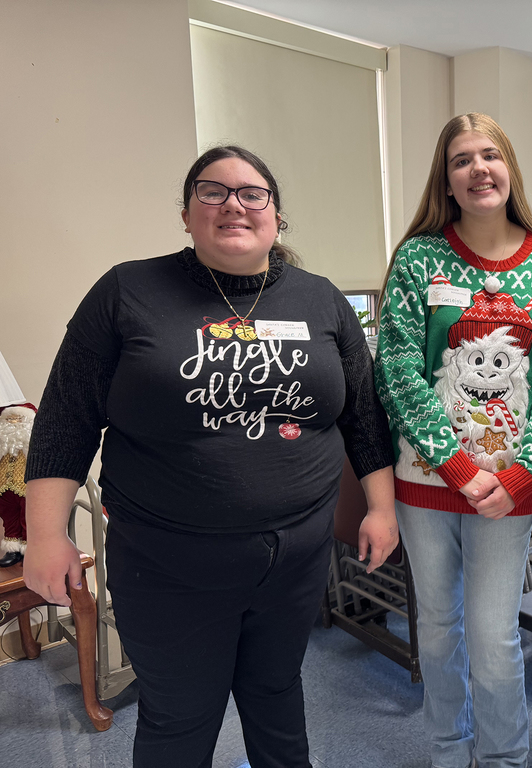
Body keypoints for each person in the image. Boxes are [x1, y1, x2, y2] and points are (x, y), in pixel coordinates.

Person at [23, 145, 398, 768]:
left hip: (296, 557)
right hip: (168, 563)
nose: (233, 204)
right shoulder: (127, 291)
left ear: (276, 217)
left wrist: (380, 508)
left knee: (277, 696)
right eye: (212, 191)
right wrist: (44, 535)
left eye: (252, 193)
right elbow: (66, 420)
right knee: (179, 715)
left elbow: (362, 417)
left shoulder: (321, 300)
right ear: (186, 212)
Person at [374, 113, 532, 768]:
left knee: (493, 643)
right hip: (427, 484)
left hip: (509, 491)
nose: (478, 168)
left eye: (490, 154)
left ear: (509, 167)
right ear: (448, 179)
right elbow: (398, 369)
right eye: (461, 159)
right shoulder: (419, 258)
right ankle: (447, 751)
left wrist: (522, 477)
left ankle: (504, 761)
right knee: (436, 636)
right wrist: (459, 468)